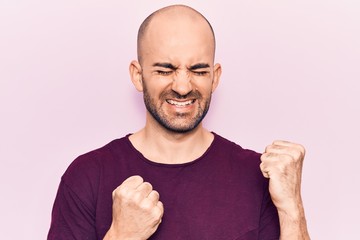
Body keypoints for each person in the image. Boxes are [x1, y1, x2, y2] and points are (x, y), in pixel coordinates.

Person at [48, 4, 310, 240]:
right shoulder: (87, 176)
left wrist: (292, 209)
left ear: (215, 77)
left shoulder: (258, 175)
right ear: (138, 76)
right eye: (165, 70)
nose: (183, 87)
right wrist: (121, 236)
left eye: (198, 71)